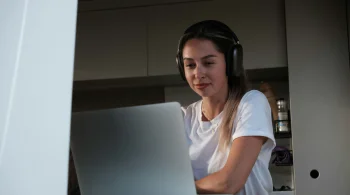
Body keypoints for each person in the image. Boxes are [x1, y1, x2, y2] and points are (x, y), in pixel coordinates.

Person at [176, 20, 276, 195]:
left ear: (231, 63)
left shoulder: (251, 103)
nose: (198, 74)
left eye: (208, 63)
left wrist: (175, 188)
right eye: (190, 65)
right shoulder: (182, 116)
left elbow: (229, 183)